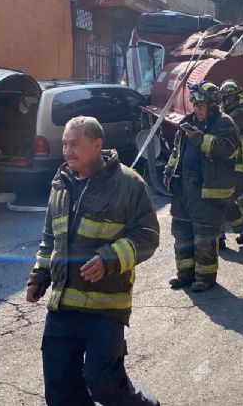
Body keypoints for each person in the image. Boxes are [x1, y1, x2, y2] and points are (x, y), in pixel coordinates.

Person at [26, 117, 160, 406]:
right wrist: (40, 276)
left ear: (97, 144)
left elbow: (148, 236)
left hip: (105, 306)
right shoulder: (60, 184)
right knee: (61, 391)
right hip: (63, 305)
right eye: (64, 144)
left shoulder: (129, 184)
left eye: (75, 144)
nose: (67, 151)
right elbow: (50, 237)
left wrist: (109, 259)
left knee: (103, 382)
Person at [164, 82, 239, 292]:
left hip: (207, 189)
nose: (197, 109)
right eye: (195, 105)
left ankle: (205, 277)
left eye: (201, 105)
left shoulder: (225, 123)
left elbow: (228, 149)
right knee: (181, 231)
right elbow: (176, 152)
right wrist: (169, 170)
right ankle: (185, 274)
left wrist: (200, 139)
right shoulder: (189, 123)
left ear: (213, 104)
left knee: (204, 235)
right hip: (183, 186)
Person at [219, 79, 243, 244]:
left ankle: (242, 225)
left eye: (226, 98)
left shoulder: (240, 115)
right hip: (227, 167)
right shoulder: (229, 115)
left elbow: (221, 128)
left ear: (235, 97)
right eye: (222, 98)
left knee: (222, 199)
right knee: (219, 200)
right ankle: (220, 235)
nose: (224, 102)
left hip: (238, 167)